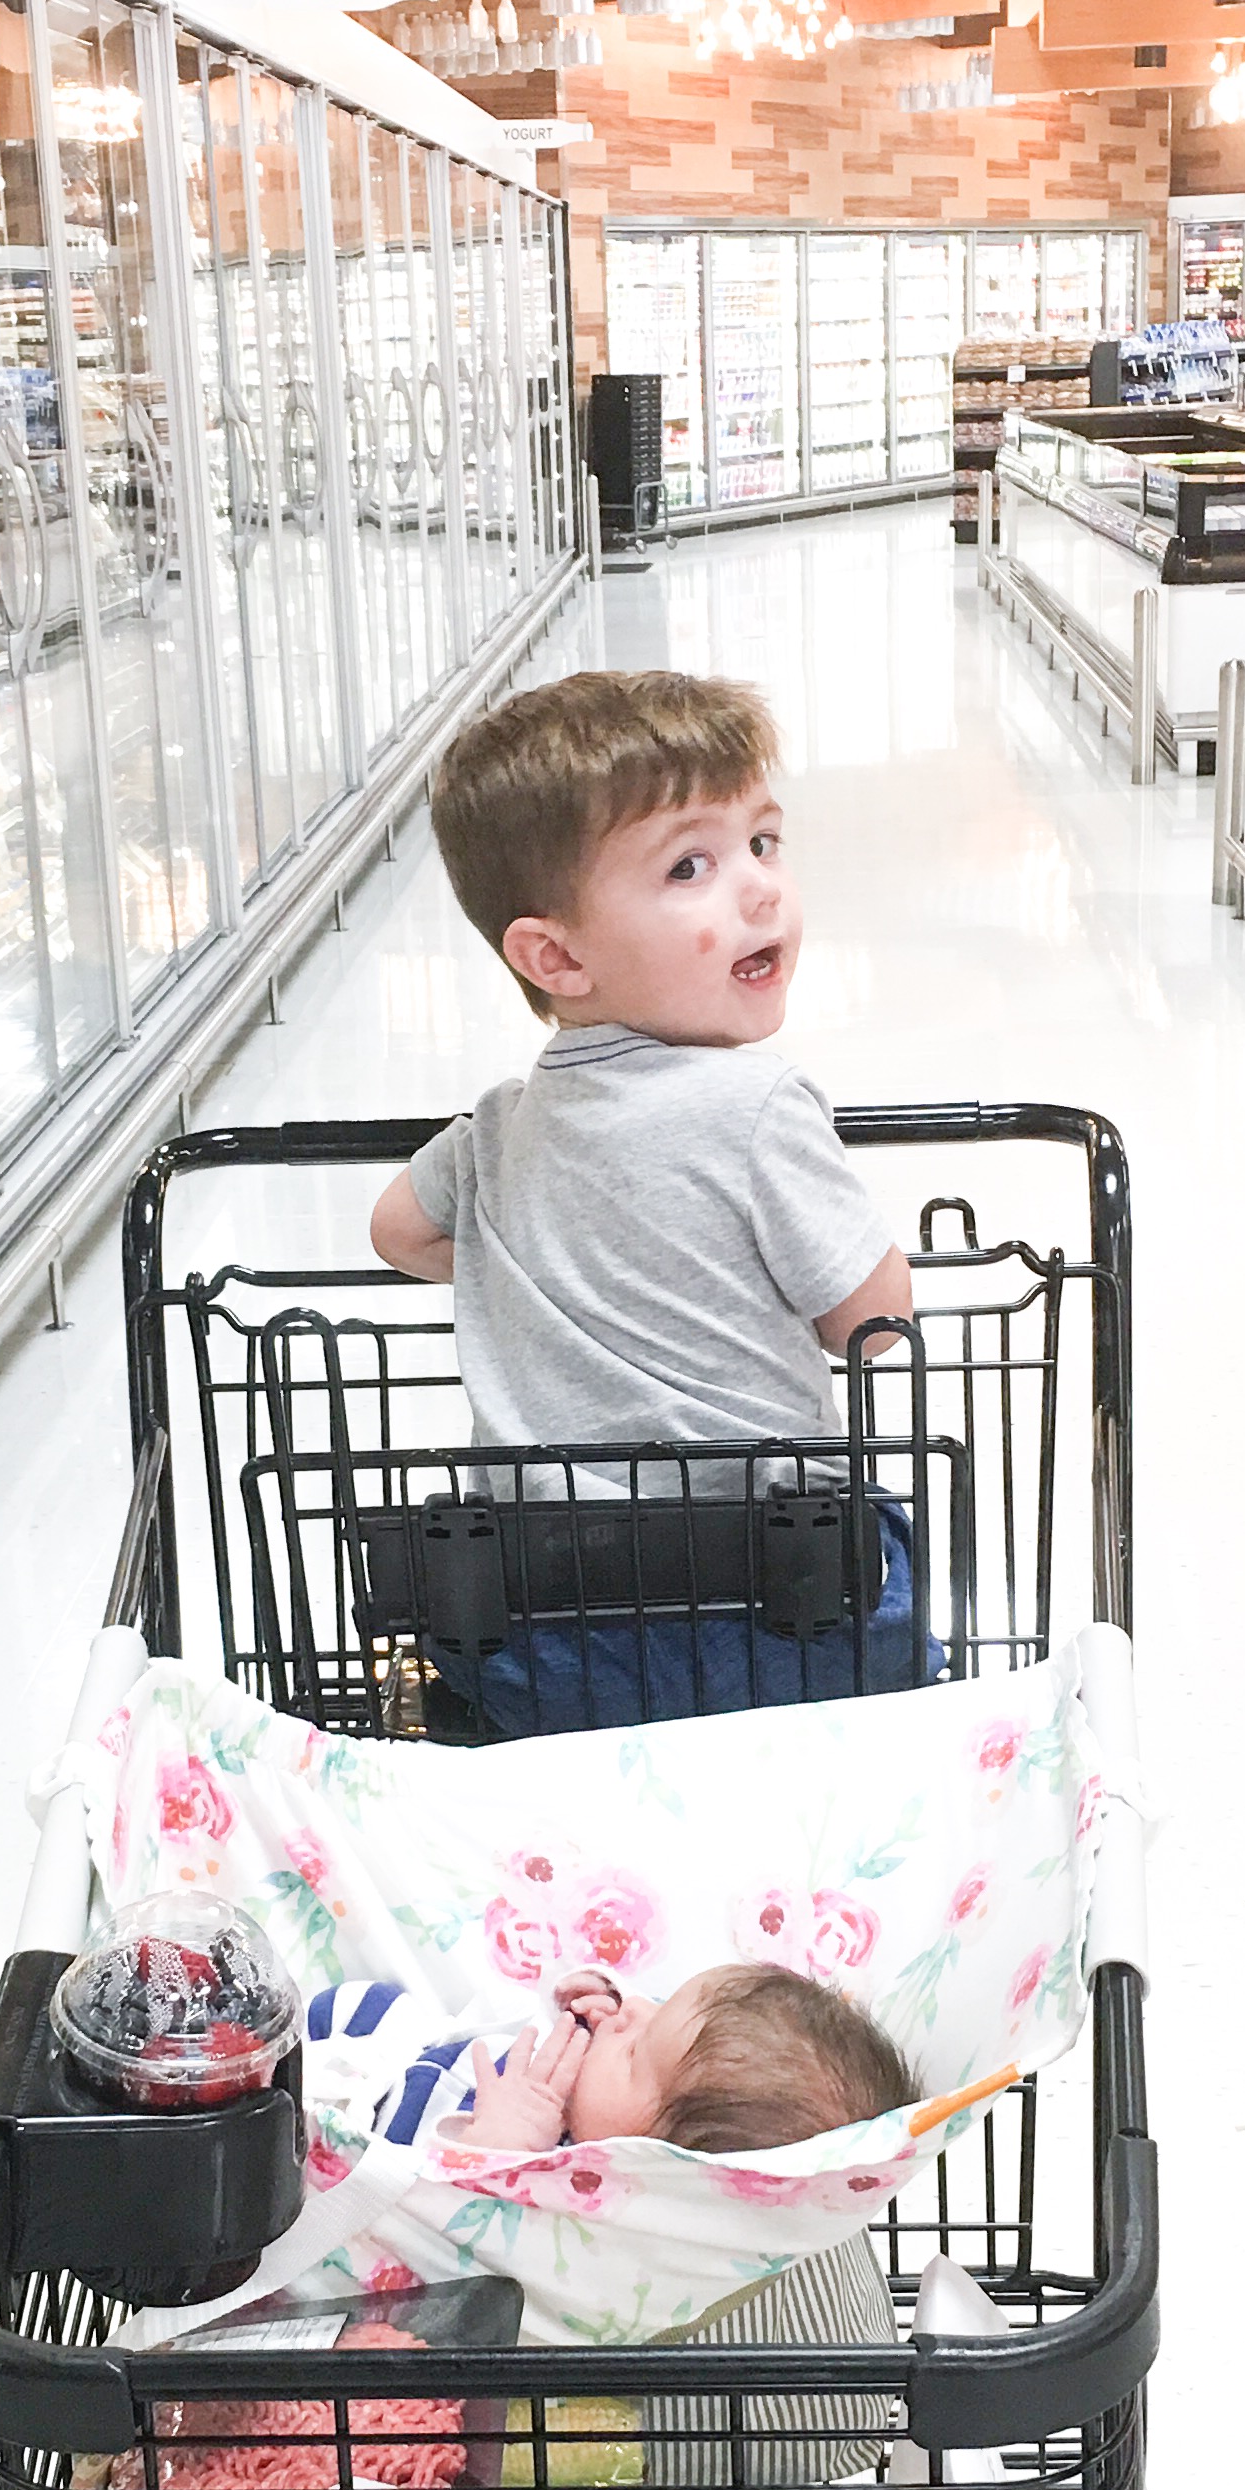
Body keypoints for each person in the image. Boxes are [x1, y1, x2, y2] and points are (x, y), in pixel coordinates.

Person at [365, 671, 930, 1726]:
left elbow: (395, 1230)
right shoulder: (760, 1104)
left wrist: (530, 1256)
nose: (760, 889)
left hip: (543, 1626)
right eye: (690, 866)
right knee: (882, 1555)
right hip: (773, 1610)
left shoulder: (495, 1126)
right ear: (556, 955)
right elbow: (875, 1322)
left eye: (763, 843)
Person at [302, 1959, 913, 2159]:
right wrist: (600, 2005)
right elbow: (497, 2030)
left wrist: (502, 2150)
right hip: (382, 2052)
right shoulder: (592, 2097)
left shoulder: (566, 2179)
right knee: (363, 2007)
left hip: (345, 2136)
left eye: (631, 2053)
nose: (629, 2010)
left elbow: (451, 2217)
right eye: (656, 2004)